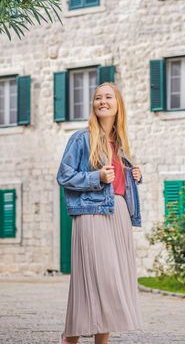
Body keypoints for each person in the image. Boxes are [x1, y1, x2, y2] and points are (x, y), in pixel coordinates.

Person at [57, 82, 144, 344]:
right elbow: (64, 175)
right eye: (97, 98)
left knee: (112, 285)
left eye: (108, 97)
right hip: (91, 214)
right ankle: (69, 340)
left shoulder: (120, 143)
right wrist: (97, 177)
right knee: (94, 283)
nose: (102, 101)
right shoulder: (81, 138)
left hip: (119, 214)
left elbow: (118, 183)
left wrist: (134, 177)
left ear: (118, 105)